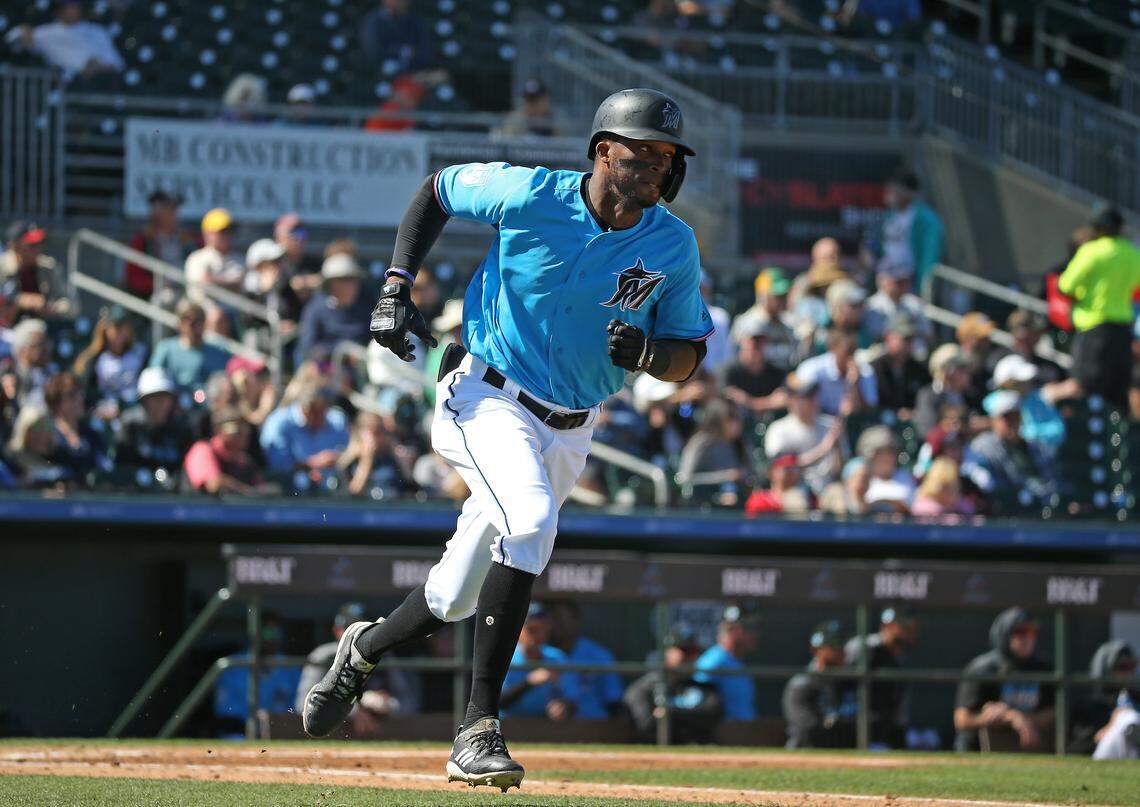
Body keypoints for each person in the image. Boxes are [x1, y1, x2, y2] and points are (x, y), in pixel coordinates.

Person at [302, 89, 712, 791]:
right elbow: (436, 191)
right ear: (603, 150)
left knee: (455, 594)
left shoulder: (672, 242)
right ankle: (477, 727)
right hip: (485, 392)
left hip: (572, 426)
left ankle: (362, 649)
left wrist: (649, 355)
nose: (656, 166)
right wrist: (398, 281)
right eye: (642, 151)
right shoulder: (531, 194)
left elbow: (689, 353)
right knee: (529, 523)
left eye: (666, 155)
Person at [1058, 205, 1140, 407]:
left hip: (1094, 330)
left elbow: (1065, 285)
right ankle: (1115, 439)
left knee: (1086, 389)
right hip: (1123, 332)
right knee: (1117, 393)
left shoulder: (1091, 251)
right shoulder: (1132, 253)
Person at [295, 603, 418, 733]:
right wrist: (355, 711)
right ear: (337, 630)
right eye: (351, 628)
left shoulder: (385, 656)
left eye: (365, 630)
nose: (358, 636)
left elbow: (409, 702)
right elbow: (302, 704)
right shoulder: (324, 655)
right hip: (334, 731)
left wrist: (388, 705)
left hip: (381, 730)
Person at [954, 607, 1054, 752]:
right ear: (1005, 634)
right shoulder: (983, 668)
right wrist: (1005, 717)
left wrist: (1021, 718)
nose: (1027, 638)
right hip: (979, 750)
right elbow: (961, 719)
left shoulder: (1042, 668)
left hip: (1027, 748)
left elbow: (1053, 713)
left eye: (1032, 633)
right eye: (1020, 632)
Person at [961, 390, 1058, 514]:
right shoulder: (983, 446)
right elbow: (984, 483)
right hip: (1002, 514)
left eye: (1016, 417)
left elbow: (1050, 479)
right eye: (1006, 418)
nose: (1012, 423)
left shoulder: (1035, 447)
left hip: (1038, 511)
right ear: (994, 420)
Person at [624, 624, 723, 744]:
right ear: (667, 652)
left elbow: (712, 715)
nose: (691, 658)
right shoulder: (644, 688)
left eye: (695, 652)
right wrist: (690, 718)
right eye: (685, 651)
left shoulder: (704, 687)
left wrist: (669, 713)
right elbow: (647, 725)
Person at [844, 605, 920, 748]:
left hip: (886, 724)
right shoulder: (865, 647)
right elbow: (842, 685)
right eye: (904, 627)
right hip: (855, 721)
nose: (909, 632)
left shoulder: (900, 656)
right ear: (888, 626)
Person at [213, 614, 301, 736]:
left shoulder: (291, 668)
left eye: (276, 633)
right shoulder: (233, 666)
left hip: (280, 735)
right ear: (254, 633)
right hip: (239, 734)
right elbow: (226, 717)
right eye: (267, 632)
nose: (271, 639)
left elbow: (298, 712)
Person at [764, 378, 848, 495]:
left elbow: (840, 468)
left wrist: (836, 446)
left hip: (827, 487)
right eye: (802, 398)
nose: (809, 401)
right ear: (791, 400)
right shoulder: (778, 429)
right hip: (794, 488)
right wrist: (823, 449)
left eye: (811, 396)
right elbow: (782, 468)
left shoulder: (830, 425)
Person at [260, 383, 349, 490]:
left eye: (325, 411)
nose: (323, 419)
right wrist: (312, 464)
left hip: (332, 493)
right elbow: (278, 467)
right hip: (290, 493)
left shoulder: (336, 419)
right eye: (319, 413)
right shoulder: (279, 423)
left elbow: (346, 453)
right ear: (306, 410)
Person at [783, 621, 857, 749]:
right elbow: (809, 729)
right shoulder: (802, 684)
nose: (842, 651)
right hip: (806, 753)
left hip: (839, 753)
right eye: (835, 646)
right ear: (817, 650)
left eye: (842, 645)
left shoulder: (847, 682)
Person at [545, 601, 624, 720]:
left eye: (561, 619)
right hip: (546, 725)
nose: (557, 625)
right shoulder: (543, 654)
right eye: (553, 619)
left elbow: (614, 700)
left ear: (576, 620)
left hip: (594, 724)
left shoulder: (599, 655)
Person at [499, 604, 579, 720]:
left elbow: (573, 699)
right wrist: (529, 682)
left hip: (546, 726)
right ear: (519, 631)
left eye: (543, 629)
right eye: (532, 630)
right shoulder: (506, 657)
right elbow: (498, 702)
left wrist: (564, 705)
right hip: (509, 725)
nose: (538, 636)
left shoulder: (556, 657)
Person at [114, 367, 191, 486]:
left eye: (165, 397)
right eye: (154, 397)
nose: (161, 403)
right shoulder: (130, 426)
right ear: (144, 401)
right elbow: (123, 467)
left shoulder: (182, 428)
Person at [9, 0, 123, 78]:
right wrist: (23, 31)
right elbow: (14, 39)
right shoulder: (47, 32)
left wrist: (99, 67)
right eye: (68, 6)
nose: (72, 10)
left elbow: (117, 64)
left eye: (74, 6)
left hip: (98, 83)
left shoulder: (97, 31)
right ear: (59, 9)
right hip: (65, 85)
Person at [295, 254, 373, 364]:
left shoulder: (366, 306)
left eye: (355, 279)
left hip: (364, 370)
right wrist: (341, 352)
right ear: (331, 284)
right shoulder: (316, 308)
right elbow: (307, 347)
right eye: (347, 279)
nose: (354, 285)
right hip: (326, 371)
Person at [71, 306, 146, 419]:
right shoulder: (93, 358)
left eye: (124, 327)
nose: (120, 332)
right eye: (116, 327)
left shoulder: (140, 353)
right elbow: (86, 390)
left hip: (133, 408)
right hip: (103, 409)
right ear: (105, 329)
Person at [148, 299, 230, 394]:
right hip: (174, 404)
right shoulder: (166, 349)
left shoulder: (218, 351)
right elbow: (154, 381)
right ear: (180, 323)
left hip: (209, 405)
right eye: (192, 322)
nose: (197, 327)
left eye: (201, 320)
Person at [879, 169, 943, 291]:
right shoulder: (890, 215)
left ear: (906, 192)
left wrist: (924, 287)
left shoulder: (927, 220)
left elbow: (930, 257)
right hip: (885, 279)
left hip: (909, 284)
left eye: (893, 190)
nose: (888, 194)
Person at [790, 328, 877, 416]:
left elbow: (870, 409)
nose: (849, 357)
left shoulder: (865, 371)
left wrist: (856, 384)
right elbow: (799, 397)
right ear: (832, 349)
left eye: (853, 351)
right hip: (816, 420)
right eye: (847, 351)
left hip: (850, 423)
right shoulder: (813, 368)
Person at [125, 190, 195, 298]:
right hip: (156, 295)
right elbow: (134, 278)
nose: (174, 214)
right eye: (169, 209)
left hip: (186, 289)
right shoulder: (143, 240)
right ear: (157, 213)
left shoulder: (185, 238)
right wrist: (160, 284)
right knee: (168, 299)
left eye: (174, 209)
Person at [676, 397, 750, 498]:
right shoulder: (701, 442)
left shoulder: (739, 443)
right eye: (731, 419)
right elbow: (684, 479)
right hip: (702, 501)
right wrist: (724, 476)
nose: (737, 424)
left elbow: (751, 472)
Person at [694, 606, 758, 722]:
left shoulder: (737, 662)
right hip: (722, 736)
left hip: (745, 734)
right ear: (733, 630)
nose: (755, 635)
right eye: (749, 629)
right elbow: (697, 707)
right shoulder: (713, 662)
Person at [43, 371, 108, 485]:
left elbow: (101, 467)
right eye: (72, 395)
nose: (79, 398)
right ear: (55, 401)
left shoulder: (91, 434)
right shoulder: (44, 432)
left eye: (80, 393)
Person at [730, 267, 799, 372]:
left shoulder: (789, 322)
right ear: (763, 295)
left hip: (781, 382)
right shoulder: (749, 323)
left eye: (784, 295)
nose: (782, 299)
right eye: (777, 295)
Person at [183, 407, 265, 494]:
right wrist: (249, 491)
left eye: (246, 433)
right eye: (237, 432)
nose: (243, 438)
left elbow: (260, 487)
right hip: (197, 507)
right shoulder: (202, 450)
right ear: (218, 430)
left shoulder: (244, 460)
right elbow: (214, 484)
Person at [336, 410, 416, 498]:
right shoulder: (349, 461)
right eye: (374, 433)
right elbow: (354, 492)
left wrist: (399, 456)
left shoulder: (391, 457)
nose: (378, 439)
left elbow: (410, 485)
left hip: (390, 506)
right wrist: (367, 459)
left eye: (381, 432)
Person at [1, 221, 71, 320]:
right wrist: (19, 300)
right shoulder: (2, 266)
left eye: (40, 243)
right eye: (32, 245)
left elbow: (70, 304)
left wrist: (52, 309)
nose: (39, 249)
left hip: (41, 324)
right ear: (15, 246)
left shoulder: (48, 266)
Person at [863, 257, 932, 355]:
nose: (902, 285)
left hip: (912, 354)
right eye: (898, 282)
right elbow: (876, 335)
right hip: (884, 355)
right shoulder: (873, 306)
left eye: (905, 281)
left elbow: (927, 332)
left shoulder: (913, 303)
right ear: (883, 280)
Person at [722, 319, 787, 416]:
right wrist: (769, 402)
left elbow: (782, 398)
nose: (756, 345)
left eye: (761, 341)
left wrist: (749, 402)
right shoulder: (727, 371)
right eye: (752, 340)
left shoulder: (776, 372)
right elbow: (725, 397)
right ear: (741, 341)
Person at [870, 315, 930, 416]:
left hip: (911, 426)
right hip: (881, 423)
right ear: (888, 337)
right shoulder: (874, 368)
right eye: (905, 339)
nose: (908, 344)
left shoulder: (920, 369)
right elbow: (871, 405)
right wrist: (897, 413)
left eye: (911, 339)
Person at [359, 0, 436, 78]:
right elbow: (373, 51)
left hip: (414, 73)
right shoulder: (373, 22)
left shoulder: (416, 21)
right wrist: (402, 50)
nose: (402, 2)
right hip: (381, 74)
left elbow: (425, 50)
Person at [184, 208, 245, 301]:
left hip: (237, 312)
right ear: (207, 234)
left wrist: (215, 281)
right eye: (221, 231)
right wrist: (230, 283)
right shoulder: (197, 258)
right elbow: (202, 288)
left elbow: (243, 285)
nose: (227, 235)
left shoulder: (240, 259)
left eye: (229, 230)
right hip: (206, 310)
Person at [913, 344, 972, 439]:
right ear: (947, 372)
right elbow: (926, 431)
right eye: (962, 368)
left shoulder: (969, 394)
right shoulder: (928, 396)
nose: (967, 373)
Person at [856, 426, 914, 514]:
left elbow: (911, 508)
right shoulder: (861, 478)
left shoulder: (905, 477)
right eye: (884, 452)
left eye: (892, 451)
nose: (890, 457)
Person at [743, 452, 812, 516]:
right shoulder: (759, 500)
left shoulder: (808, 497)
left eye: (795, 469)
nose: (791, 473)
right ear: (771, 472)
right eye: (786, 469)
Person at [956, 312, 999, 411]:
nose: (987, 341)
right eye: (980, 338)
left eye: (987, 337)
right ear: (966, 338)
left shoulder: (986, 371)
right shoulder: (954, 370)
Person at [495, 80, 567, 138]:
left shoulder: (558, 118)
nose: (530, 103)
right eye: (528, 99)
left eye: (536, 99)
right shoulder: (515, 119)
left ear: (546, 98)